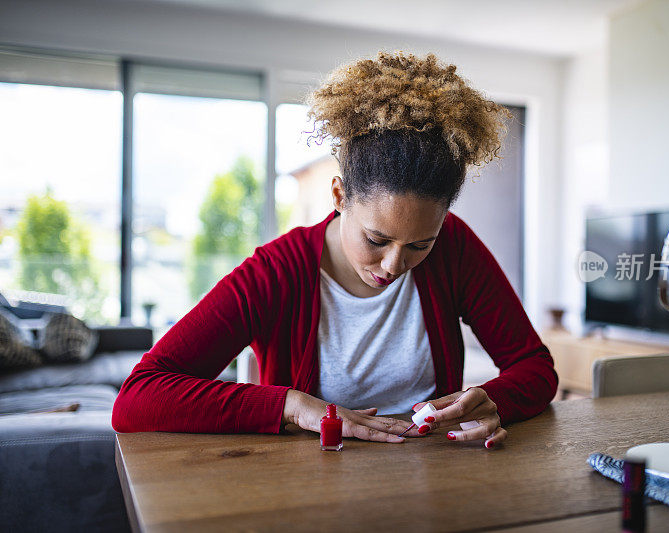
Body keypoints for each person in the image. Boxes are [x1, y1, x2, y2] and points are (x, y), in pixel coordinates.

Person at [112, 51, 558, 449]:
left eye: (421, 244)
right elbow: (139, 397)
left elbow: (535, 367)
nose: (394, 265)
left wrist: (493, 400)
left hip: (434, 483)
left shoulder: (455, 248)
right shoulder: (276, 272)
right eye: (376, 240)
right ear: (340, 196)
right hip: (309, 490)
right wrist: (291, 406)